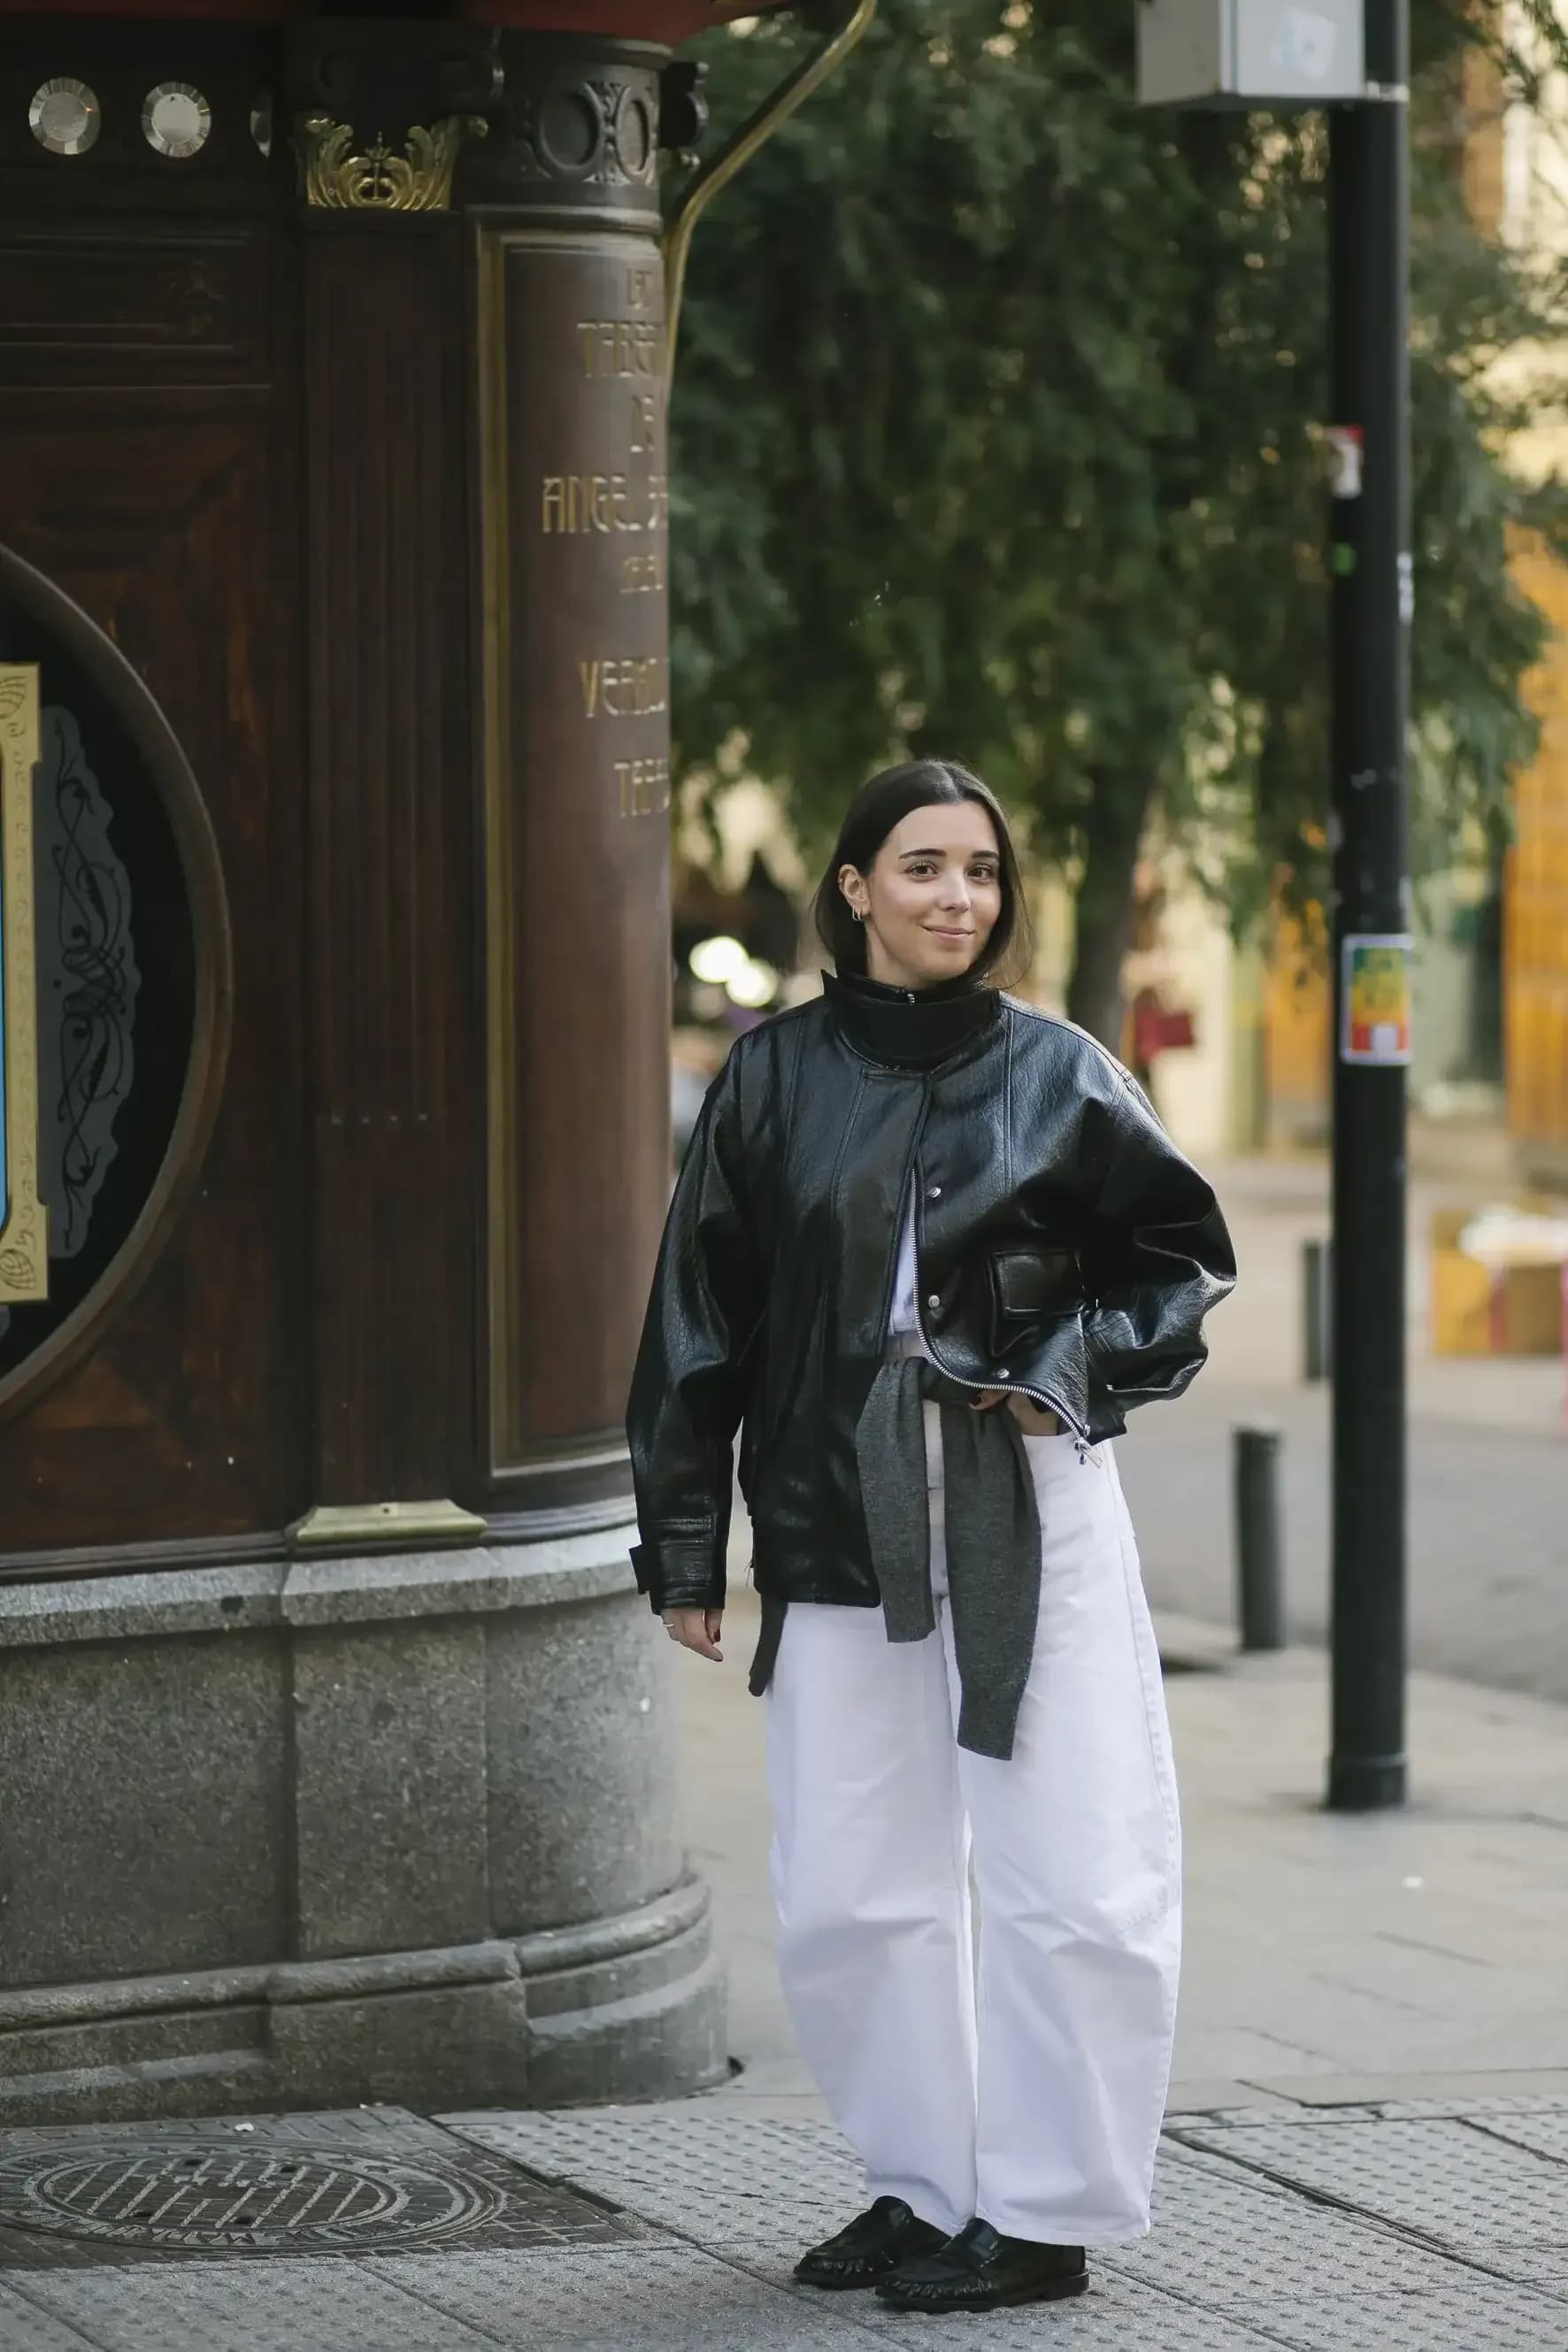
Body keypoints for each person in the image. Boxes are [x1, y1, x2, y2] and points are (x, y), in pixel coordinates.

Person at [627, 759, 1235, 2316]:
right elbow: (699, 1312)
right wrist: (686, 1543)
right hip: (835, 1505)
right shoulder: (770, 1079)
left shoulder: (1062, 1070)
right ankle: (925, 2182)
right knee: (852, 1881)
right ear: (854, 889)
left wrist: (1062, 1375)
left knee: (1075, 1863)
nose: (958, 896)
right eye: (922, 866)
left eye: (979, 869)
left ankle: (1042, 2213)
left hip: (1027, 1497)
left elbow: (1179, 1259)